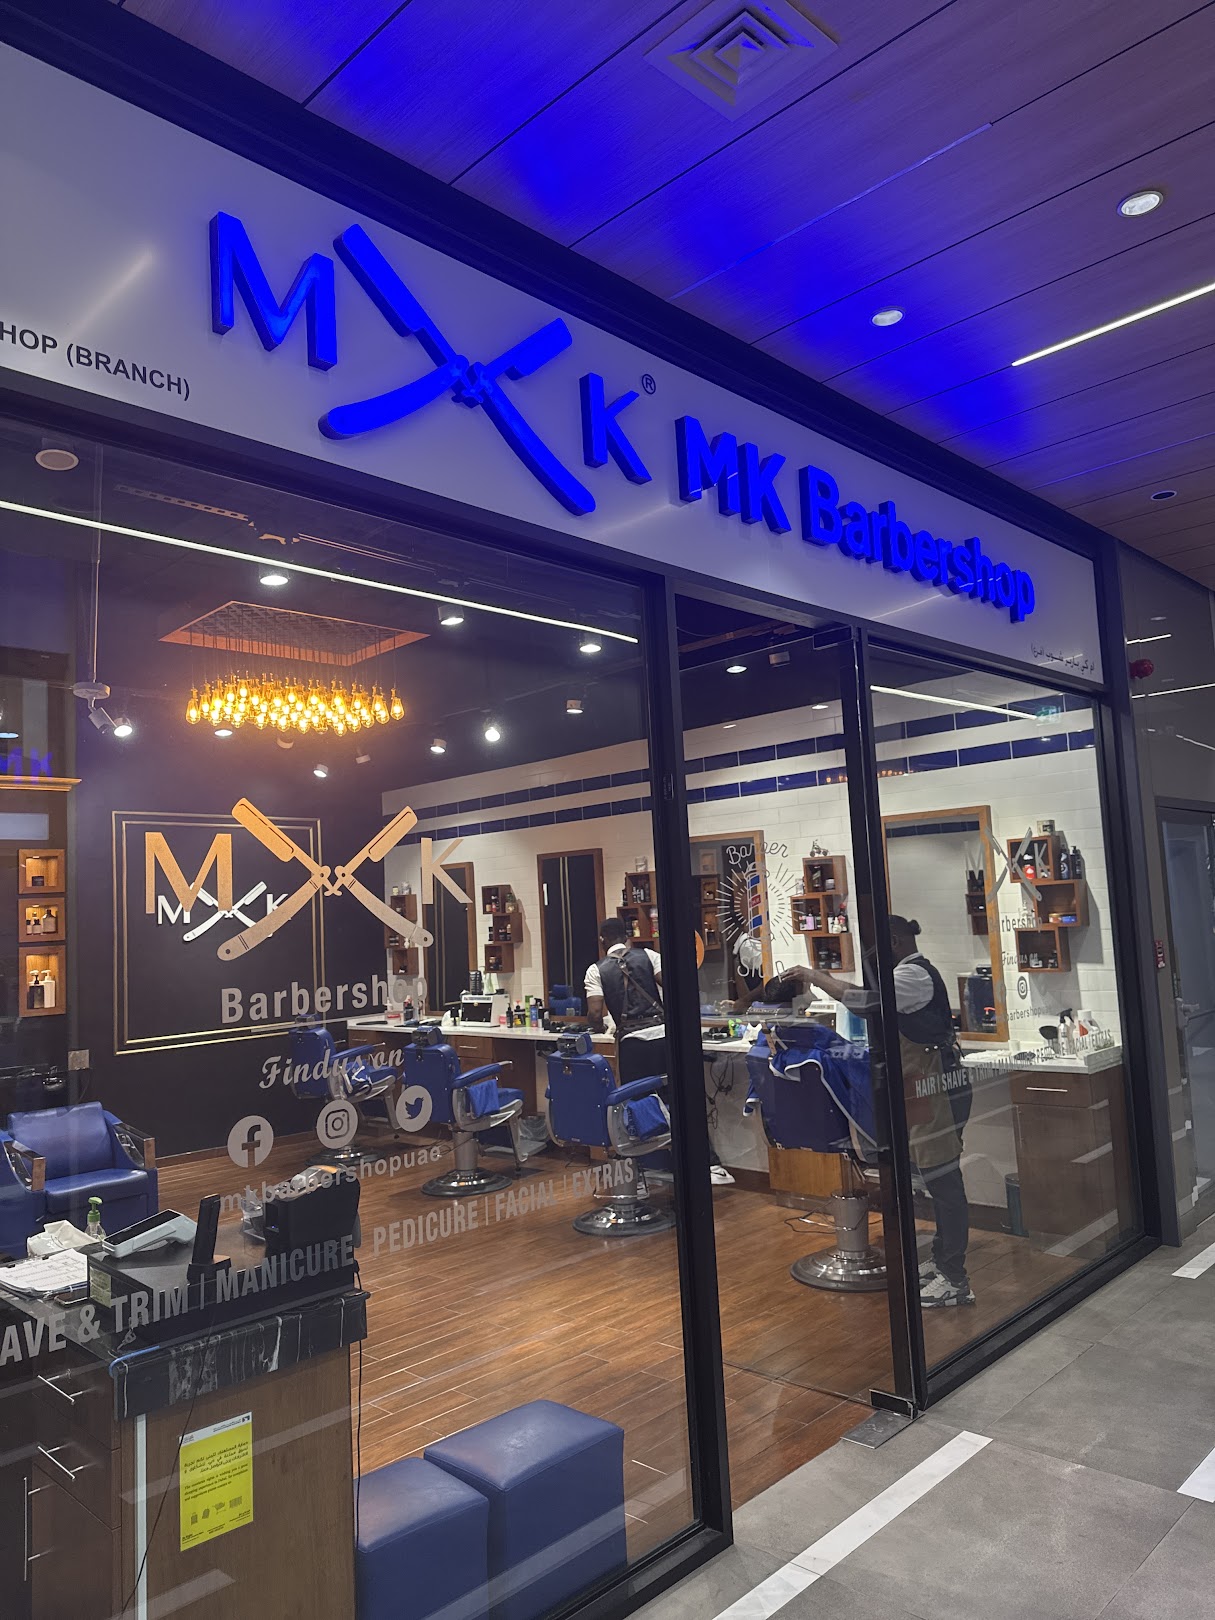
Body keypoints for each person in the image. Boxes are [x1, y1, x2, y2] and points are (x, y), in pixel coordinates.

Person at [778, 916, 974, 1308]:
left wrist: (815, 976)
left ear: (894, 941)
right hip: (920, 1089)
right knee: (934, 1181)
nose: (871, 957)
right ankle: (942, 1262)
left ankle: (955, 1279)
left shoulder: (913, 976)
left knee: (944, 1184)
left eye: (875, 947)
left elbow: (865, 1002)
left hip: (936, 1090)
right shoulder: (906, 974)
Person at [585, 917, 734, 1185]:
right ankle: (709, 1165)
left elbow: (595, 1012)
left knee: (638, 1105)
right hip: (664, 1038)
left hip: (632, 1045)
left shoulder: (596, 970)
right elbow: (676, 987)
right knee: (681, 1099)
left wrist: (600, 1024)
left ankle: (644, 1172)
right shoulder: (649, 956)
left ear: (602, 940)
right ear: (627, 936)